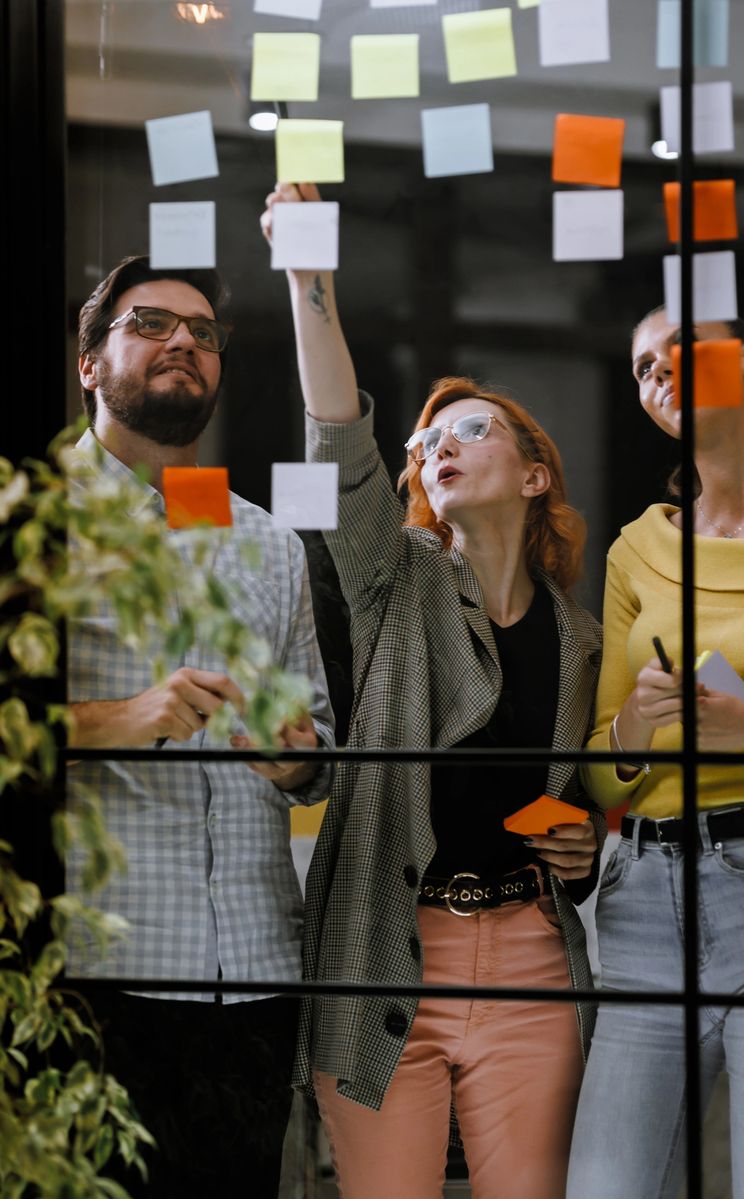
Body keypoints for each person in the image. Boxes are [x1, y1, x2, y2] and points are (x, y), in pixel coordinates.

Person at [261, 184, 605, 1199]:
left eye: (467, 428)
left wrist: (582, 837)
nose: (435, 445)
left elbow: (575, 794)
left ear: (534, 474)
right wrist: (306, 280)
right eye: (426, 441)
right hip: (385, 949)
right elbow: (339, 437)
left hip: (531, 960)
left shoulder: (578, 636)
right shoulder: (394, 576)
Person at [67, 255, 335, 1198]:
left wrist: (297, 759)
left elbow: (323, 746)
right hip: (99, 977)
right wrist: (120, 717)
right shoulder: (32, 518)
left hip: (255, 974)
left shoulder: (262, 538)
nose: (185, 340)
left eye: (205, 333)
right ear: (90, 366)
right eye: (150, 323)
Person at [566, 308, 744, 1199]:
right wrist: (635, 721)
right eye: (639, 368)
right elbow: (597, 765)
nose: (656, 371)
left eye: (677, 349)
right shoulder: (640, 546)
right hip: (644, 907)